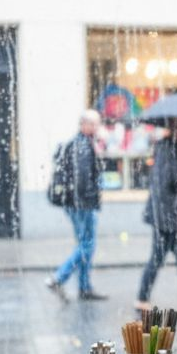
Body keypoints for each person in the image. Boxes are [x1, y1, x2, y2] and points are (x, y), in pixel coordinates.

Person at [135, 120, 177, 311]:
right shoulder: (171, 149)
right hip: (167, 217)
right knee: (163, 258)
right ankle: (142, 298)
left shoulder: (168, 147)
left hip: (166, 215)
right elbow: (174, 182)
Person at [45, 109, 107, 302]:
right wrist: (87, 202)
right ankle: (58, 278)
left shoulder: (81, 144)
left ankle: (85, 287)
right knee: (87, 246)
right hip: (82, 205)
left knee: (84, 245)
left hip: (77, 204)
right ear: (85, 125)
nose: (98, 127)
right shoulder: (82, 146)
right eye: (95, 124)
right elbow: (82, 180)